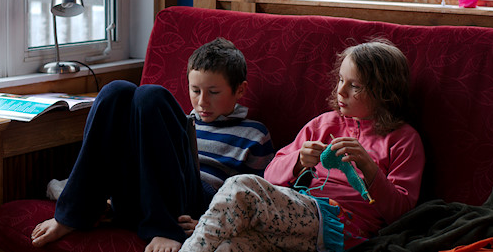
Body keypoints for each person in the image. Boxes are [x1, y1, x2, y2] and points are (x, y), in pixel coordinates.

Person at [31, 37, 274, 252]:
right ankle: (75, 214)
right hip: (139, 198)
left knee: (150, 96)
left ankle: (164, 228)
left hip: (188, 206)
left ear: (240, 90)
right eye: (195, 90)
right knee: (117, 90)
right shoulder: (183, 122)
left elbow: (260, 200)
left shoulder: (254, 133)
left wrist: (210, 222)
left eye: (213, 92)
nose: (202, 102)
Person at [179, 39, 425, 251]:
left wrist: (369, 168)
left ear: (384, 92)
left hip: (344, 228)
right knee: (227, 247)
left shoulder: (403, 139)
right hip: (298, 219)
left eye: (354, 86)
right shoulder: (323, 124)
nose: (341, 90)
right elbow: (271, 175)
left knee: (240, 185)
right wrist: (298, 161)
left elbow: (401, 212)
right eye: (340, 80)